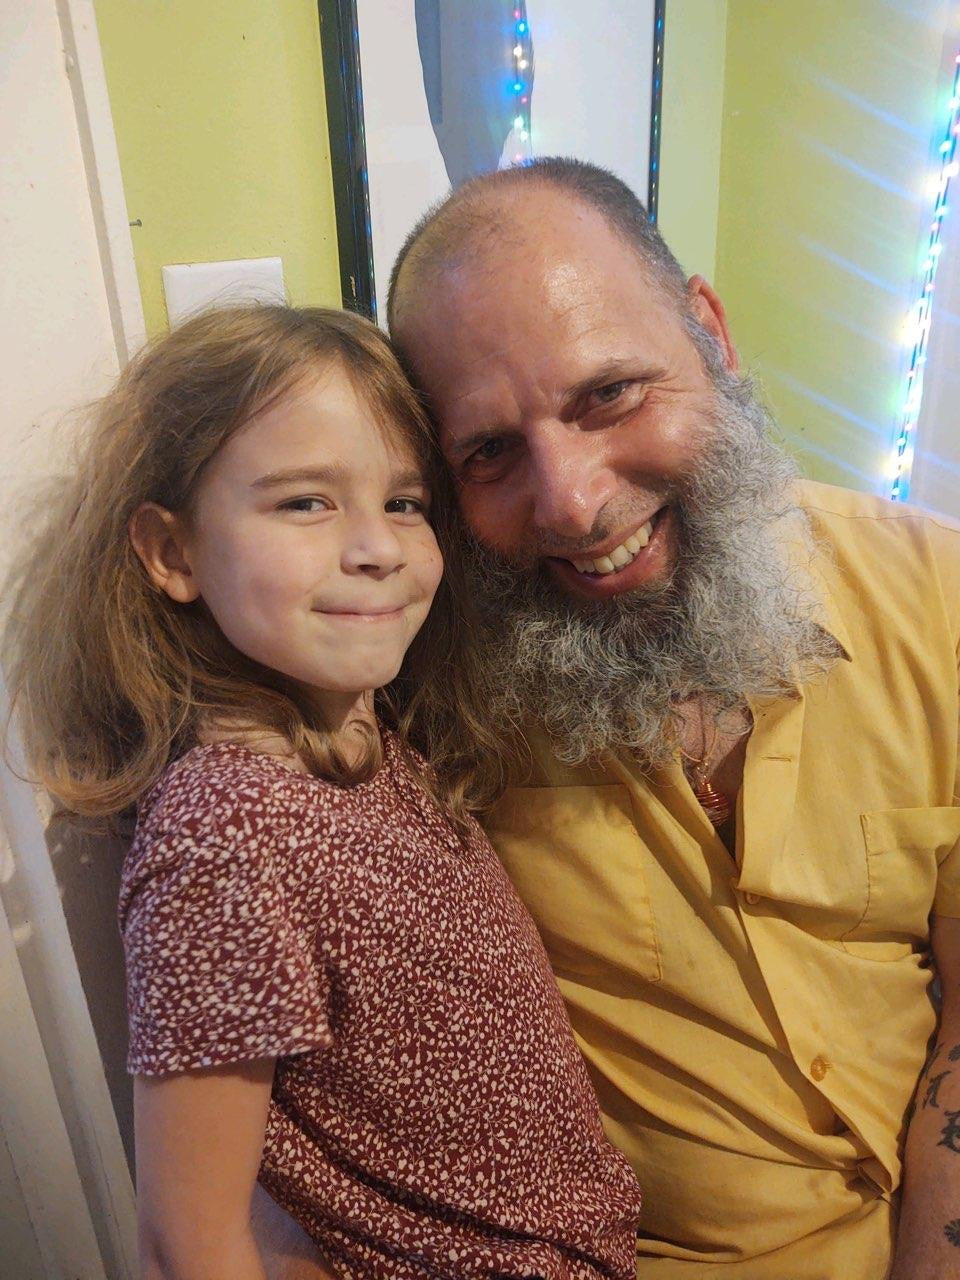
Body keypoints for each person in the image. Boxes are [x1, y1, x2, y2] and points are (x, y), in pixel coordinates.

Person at [386, 157, 960, 1280]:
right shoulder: (422, 695)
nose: (573, 500)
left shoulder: (936, 594)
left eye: (610, 394)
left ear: (710, 329)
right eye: (491, 452)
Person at [3, 304, 644, 1280]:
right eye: (305, 502)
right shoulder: (226, 834)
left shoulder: (360, 730)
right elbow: (187, 1241)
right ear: (173, 552)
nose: (376, 547)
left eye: (403, 501)